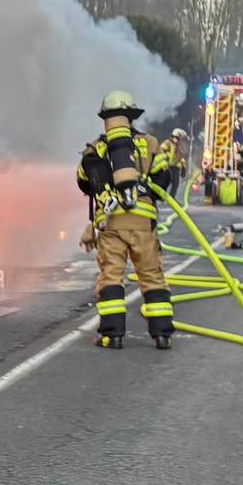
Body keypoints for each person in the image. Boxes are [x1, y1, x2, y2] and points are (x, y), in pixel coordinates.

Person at [75, 90, 175, 349]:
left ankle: (112, 335)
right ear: (131, 117)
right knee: (152, 276)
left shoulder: (96, 148)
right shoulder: (150, 143)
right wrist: (144, 186)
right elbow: (164, 179)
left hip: (111, 224)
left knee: (111, 276)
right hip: (143, 222)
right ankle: (162, 335)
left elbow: (84, 182)